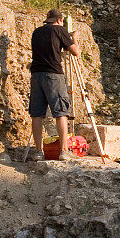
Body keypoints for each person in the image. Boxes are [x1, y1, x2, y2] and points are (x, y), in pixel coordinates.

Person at [29, 8, 81, 161]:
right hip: (53, 75)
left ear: (47, 19)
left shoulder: (36, 32)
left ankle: (38, 152)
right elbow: (75, 52)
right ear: (59, 20)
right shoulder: (60, 30)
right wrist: (74, 38)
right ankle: (64, 151)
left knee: (37, 114)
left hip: (36, 75)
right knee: (61, 112)